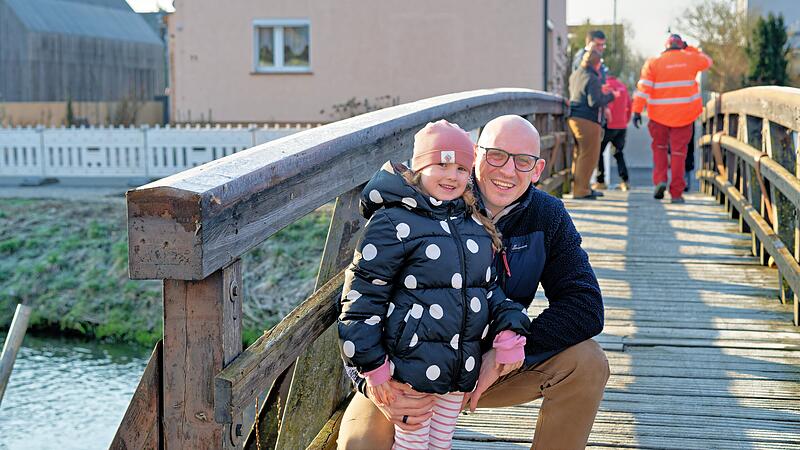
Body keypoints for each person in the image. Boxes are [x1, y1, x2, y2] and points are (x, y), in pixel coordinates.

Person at [338, 115, 608, 450]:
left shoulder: (547, 216)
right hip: (409, 370)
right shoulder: (425, 205)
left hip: (491, 365)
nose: (508, 171)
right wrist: (369, 383)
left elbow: (585, 306)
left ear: (537, 170)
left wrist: (502, 352)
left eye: (523, 161)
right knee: (359, 442)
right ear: (475, 154)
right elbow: (360, 299)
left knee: (587, 362)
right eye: (496, 155)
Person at [632, 33, 712, 203]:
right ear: (680, 45)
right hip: (684, 116)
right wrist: (689, 48)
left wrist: (637, 110)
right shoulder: (690, 58)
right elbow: (707, 61)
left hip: (658, 116)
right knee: (678, 153)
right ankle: (676, 193)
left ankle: (660, 181)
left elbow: (643, 88)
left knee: (659, 149)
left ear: (666, 46)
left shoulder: (653, 62)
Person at [568, 47, 619, 199]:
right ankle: (582, 190)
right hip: (588, 120)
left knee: (579, 155)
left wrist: (599, 89)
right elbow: (594, 101)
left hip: (574, 117)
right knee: (589, 155)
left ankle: (579, 187)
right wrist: (611, 96)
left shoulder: (576, 74)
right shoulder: (592, 77)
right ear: (597, 64)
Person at [594, 74, 632, 191]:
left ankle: (601, 181)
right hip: (621, 125)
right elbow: (629, 106)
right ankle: (624, 181)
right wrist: (626, 120)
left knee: (599, 152)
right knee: (618, 153)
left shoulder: (605, 86)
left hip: (609, 125)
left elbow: (605, 105)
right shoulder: (623, 87)